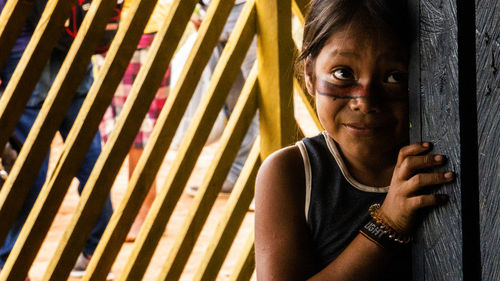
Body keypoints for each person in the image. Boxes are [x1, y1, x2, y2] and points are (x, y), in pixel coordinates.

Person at [254, 0, 454, 280]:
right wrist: (388, 224)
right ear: (310, 74)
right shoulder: (292, 174)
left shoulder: (442, 162)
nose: (365, 100)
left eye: (394, 77)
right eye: (343, 74)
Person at [0, 0, 113, 278]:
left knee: (29, 171)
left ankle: (10, 261)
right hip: (70, 45)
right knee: (89, 157)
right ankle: (95, 250)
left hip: (26, 56)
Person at [98, 0, 171, 243]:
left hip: (145, 30)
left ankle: (144, 210)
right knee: (125, 127)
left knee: (142, 128)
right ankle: (138, 207)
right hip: (117, 31)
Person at [173, 0, 259, 194]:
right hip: (213, 13)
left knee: (257, 94)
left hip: (247, 8)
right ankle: (239, 173)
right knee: (234, 99)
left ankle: (257, 177)